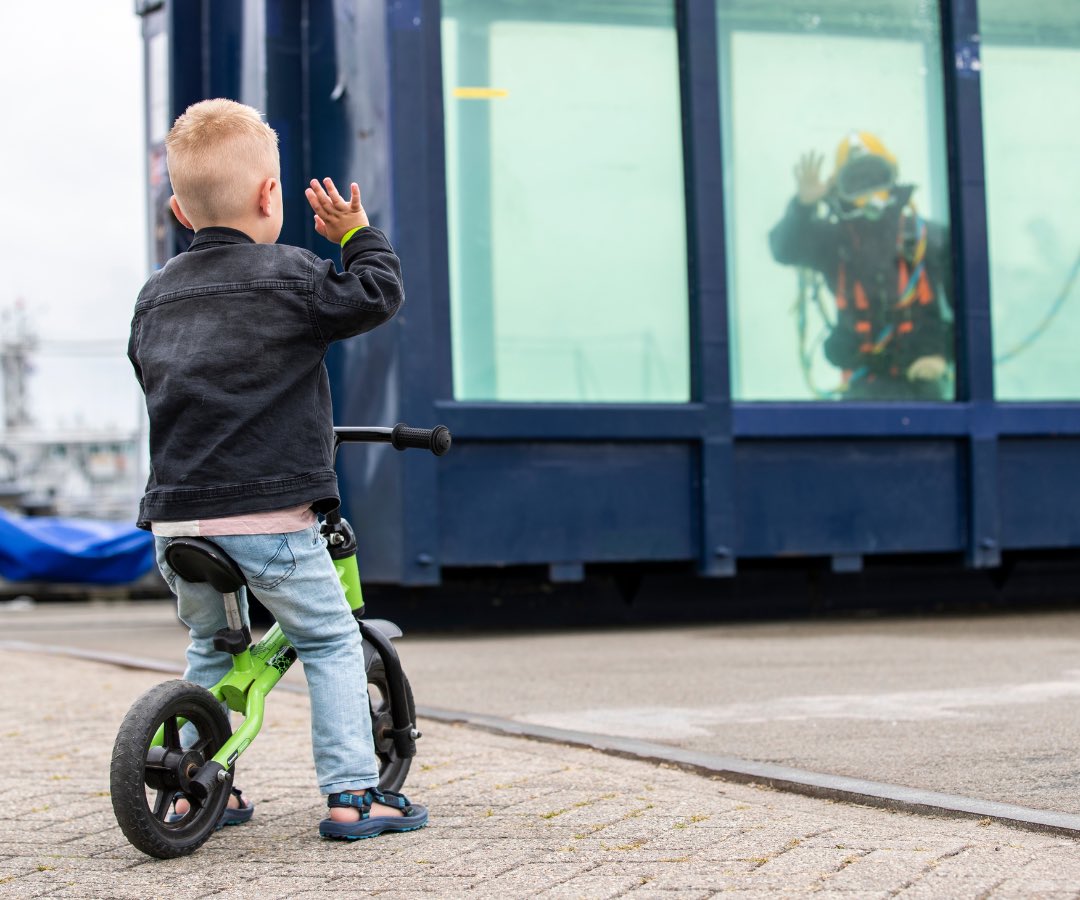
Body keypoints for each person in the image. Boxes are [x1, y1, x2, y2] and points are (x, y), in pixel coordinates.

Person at [127, 98, 428, 840]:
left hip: (176, 523)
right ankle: (354, 794)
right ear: (271, 196)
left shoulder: (154, 296)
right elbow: (376, 295)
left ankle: (206, 785)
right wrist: (356, 236)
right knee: (328, 639)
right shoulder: (292, 277)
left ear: (178, 209)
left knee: (213, 645)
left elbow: (151, 372)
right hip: (267, 518)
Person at [769, 132, 953, 400]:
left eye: (875, 177)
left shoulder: (931, 239)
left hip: (925, 387)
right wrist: (803, 207)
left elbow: (971, 312)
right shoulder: (834, 244)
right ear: (839, 188)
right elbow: (785, 250)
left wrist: (943, 354)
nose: (868, 191)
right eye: (856, 180)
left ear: (893, 178)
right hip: (860, 389)